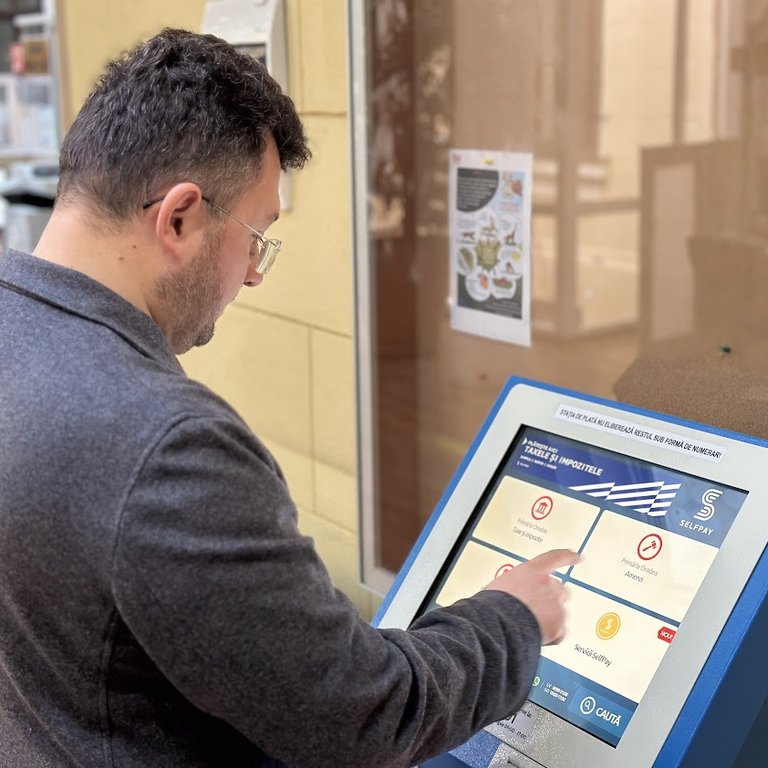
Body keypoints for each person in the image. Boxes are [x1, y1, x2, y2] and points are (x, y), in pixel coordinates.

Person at [0, 28, 577, 768]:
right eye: (256, 236)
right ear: (179, 218)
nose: (253, 273)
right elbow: (364, 719)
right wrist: (513, 619)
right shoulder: (166, 446)